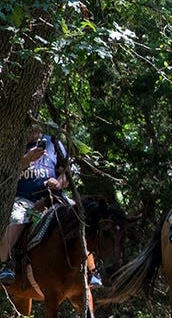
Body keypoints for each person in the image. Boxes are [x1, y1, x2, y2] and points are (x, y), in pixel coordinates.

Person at [0, 120, 99, 285]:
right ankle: (4, 265)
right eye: (29, 128)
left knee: (82, 216)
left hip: (55, 198)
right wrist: (25, 161)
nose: (33, 132)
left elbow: (69, 171)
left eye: (35, 127)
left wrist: (59, 182)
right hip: (25, 199)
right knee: (15, 220)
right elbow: (5, 177)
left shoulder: (53, 143)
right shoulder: (13, 145)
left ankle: (92, 269)